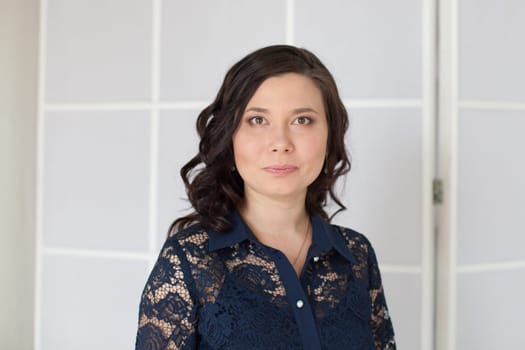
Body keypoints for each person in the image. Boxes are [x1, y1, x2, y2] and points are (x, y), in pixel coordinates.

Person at [135, 45, 395, 350]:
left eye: (302, 120)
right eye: (258, 120)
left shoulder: (357, 256)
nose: (281, 143)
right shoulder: (188, 261)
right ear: (229, 136)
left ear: (330, 135)